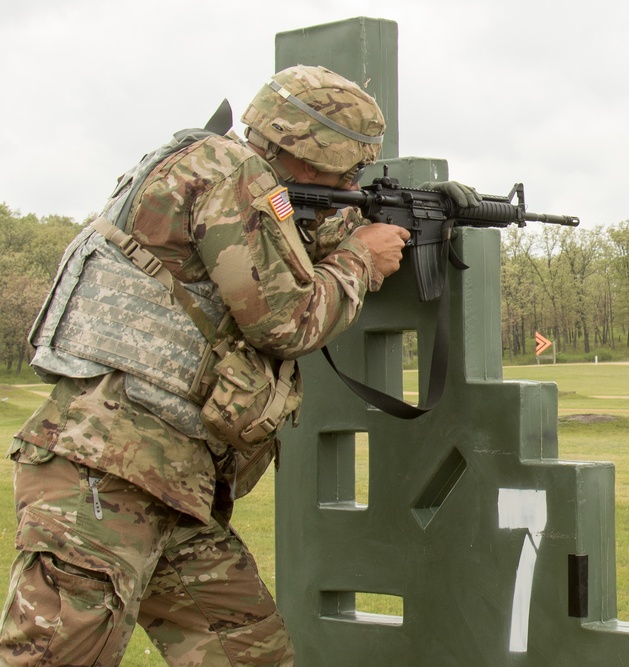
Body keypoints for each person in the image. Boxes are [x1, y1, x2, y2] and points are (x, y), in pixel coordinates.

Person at [0, 65, 479, 666]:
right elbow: (287, 321)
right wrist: (363, 257)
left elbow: (288, 243)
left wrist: (415, 215)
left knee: (250, 655)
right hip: (103, 478)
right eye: (346, 166)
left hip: (170, 486)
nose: (349, 179)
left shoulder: (228, 175)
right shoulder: (231, 175)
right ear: (308, 149)